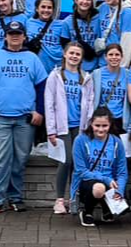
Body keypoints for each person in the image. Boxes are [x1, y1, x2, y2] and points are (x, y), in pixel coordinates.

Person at [0, 21, 49, 215]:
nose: (15, 36)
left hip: (25, 119)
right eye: (11, 34)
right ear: (6, 36)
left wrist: (39, 111)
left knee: (20, 159)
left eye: (18, 34)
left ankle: (15, 198)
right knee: (0, 159)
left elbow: (42, 87)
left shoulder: (32, 58)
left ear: (24, 36)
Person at [44, 45, 95, 216]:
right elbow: (49, 104)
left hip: (80, 127)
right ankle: (59, 199)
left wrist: (89, 128)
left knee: (78, 163)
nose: (74, 56)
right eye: (71, 53)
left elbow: (90, 104)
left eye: (77, 54)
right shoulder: (55, 76)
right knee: (65, 162)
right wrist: (51, 129)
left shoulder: (86, 78)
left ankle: (74, 198)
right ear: (65, 54)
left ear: (81, 57)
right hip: (62, 127)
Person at [72, 107, 129, 226]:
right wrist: (105, 179)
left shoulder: (116, 142)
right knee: (99, 188)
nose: (101, 129)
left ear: (110, 125)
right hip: (87, 181)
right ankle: (87, 212)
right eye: (97, 125)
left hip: (110, 183)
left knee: (123, 207)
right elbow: (81, 171)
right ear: (91, 124)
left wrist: (120, 190)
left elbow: (122, 171)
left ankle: (107, 208)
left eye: (105, 126)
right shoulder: (81, 140)